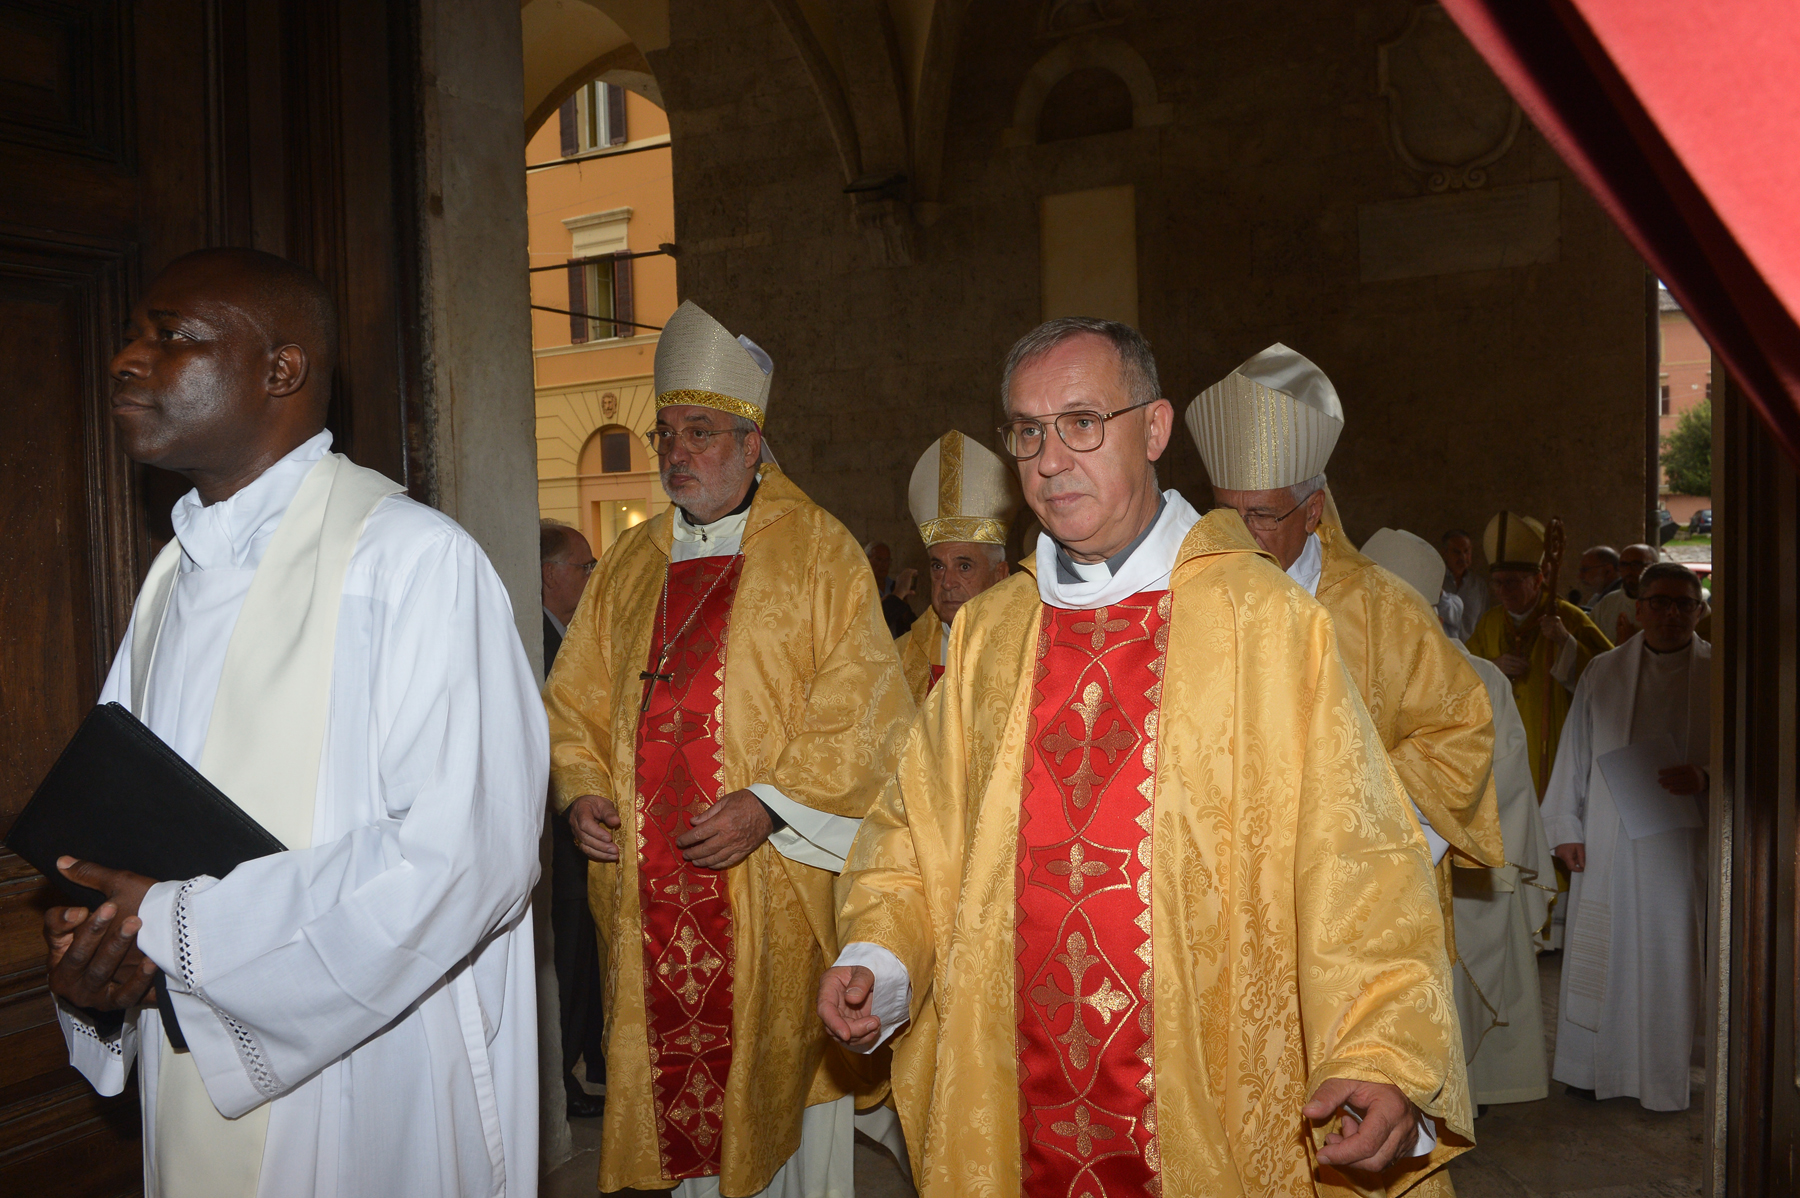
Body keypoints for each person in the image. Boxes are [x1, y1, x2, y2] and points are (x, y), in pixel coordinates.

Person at [822, 318, 1470, 1196]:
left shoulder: (1263, 620)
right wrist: (880, 957)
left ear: (1155, 429)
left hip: (1204, 1091)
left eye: (1083, 422)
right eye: (1028, 431)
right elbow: (914, 830)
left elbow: (1358, 856)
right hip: (1019, 1087)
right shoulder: (990, 636)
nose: (1051, 459)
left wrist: (1379, 1049)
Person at [41, 248, 545, 1195]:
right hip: (191, 1059)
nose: (126, 360)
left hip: (365, 1077)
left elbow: (465, 855)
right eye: (132, 335)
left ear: (281, 370)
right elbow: (120, 826)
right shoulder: (172, 578)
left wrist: (178, 925)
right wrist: (107, 968)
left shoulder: (411, 562)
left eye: (171, 337)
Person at [544, 300, 913, 1197]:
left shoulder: (818, 551)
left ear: (752, 444)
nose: (676, 452)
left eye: (699, 433)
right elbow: (575, 700)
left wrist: (770, 807)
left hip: (767, 890)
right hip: (647, 896)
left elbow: (868, 710)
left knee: (774, 1118)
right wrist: (582, 790)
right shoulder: (628, 565)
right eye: (666, 434)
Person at [1192, 344, 1504, 945]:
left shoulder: (1384, 611)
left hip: (1353, 895)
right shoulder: (1189, 595)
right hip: (1224, 895)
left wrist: (1360, 825)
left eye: (1261, 515)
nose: (1239, 536)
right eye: (1225, 512)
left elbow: (1460, 733)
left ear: (1312, 511)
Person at [1363, 529, 1557, 1110]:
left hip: (1457, 868)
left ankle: (1446, 1102)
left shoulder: (1480, 678)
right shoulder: (1331, 670)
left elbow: (1507, 784)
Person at [1540, 563, 1711, 1111]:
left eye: (1684, 604)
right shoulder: (1604, 670)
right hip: (1608, 837)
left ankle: (1664, 1074)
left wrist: (1706, 777)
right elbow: (1575, 751)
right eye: (1659, 602)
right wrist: (1565, 826)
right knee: (1604, 948)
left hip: (1682, 845)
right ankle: (1593, 1066)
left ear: (1700, 611)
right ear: (1638, 609)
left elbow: (1752, 758)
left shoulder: (1721, 673)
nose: (1671, 614)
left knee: (1669, 952)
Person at [1465, 512, 1614, 795]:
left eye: (1511, 582)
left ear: (1537, 579)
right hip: (1502, 742)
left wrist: (1566, 642)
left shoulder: (1567, 619)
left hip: (1553, 740)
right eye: (1497, 582)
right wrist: (1493, 666)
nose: (1502, 591)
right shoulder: (1490, 622)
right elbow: (1460, 673)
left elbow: (1610, 675)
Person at [540, 520, 608, 1120]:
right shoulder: (538, 639)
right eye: (583, 567)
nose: (591, 577)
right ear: (548, 573)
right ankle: (559, 1082)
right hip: (554, 832)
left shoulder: (573, 636)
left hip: (580, 830)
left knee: (584, 956)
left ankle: (587, 1063)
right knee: (564, 958)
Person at [895, 430, 1020, 702]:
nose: (947, 583)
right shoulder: (900, 659)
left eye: (964, 567)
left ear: (1000, 575)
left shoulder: (1027, 650)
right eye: (938, 567)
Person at [1591, 543, 1657, 645]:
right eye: (1624, 565)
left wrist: (1634, 643)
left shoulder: (1664, 605)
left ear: (1654, 566)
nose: (1629, 571)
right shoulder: (1607, 604)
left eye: (1636, 565)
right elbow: (1591, 645)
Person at [1441, 528, 1488, 639]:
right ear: (1445, 553)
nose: (1463, 557)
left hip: (1470, 648)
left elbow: (1484, 624)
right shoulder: (1437, 582)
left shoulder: (1478, 586)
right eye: (1457, 552)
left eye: (1466, 551)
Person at [865, 540, 918, 638]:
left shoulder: (894, 586)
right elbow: (871, 623)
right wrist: (897, 595)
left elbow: (910, 623)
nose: (883, 564)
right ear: (866, 560)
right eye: (878, 559)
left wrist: (904, 609)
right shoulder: (861, 589)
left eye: (887, 560)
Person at [1578, 545, 1622, 610]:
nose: (1580, 576)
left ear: (1608, 570)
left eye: (1585, 570)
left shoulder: (1622, 597)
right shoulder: (1597, 596)